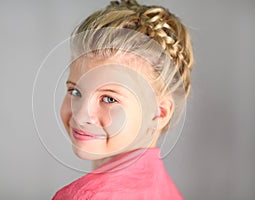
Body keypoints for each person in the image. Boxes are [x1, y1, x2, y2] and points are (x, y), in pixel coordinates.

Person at [53, 0, 193, 199]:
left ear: (159, 113)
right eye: (75, 92)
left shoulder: (84, 196)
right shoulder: (169, 192)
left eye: (109, 99)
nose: (81, 115)